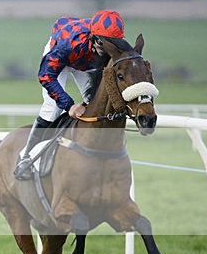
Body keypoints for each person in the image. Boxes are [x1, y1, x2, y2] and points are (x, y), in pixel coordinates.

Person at [12, 9, 126, 180]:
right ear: (93, 36)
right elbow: (46, 76)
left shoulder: (112, 47)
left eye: (111, 44)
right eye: (102, 43)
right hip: (62, 57)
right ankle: (26, 157)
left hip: (85, 62)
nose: (105, 49)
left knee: (95, 103)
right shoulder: (68, 44)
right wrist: (70, 105)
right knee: (52, 108)